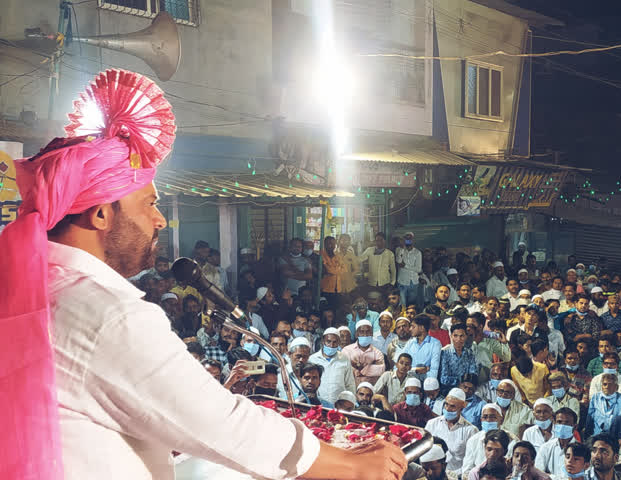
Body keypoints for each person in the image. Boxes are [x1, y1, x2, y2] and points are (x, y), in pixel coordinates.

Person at [0, 69, 407, 480]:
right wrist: (349, 465)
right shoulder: (104, 314)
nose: (159, 219)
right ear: (101, 212)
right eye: (149, 203)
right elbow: (226, 426)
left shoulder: (36, 290)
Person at [425, 387, 479, 473]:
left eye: (453, 406)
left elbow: (472, 460)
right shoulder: (432, 424)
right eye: (446, 404)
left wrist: (457, 475)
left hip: (458, 474)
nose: (448, 409)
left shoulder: (471, 430)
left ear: (462, 407)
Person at [308, 327, 356, 403]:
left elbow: (350, 384)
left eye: (335, 342)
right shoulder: (313, 359)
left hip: (339, 404)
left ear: (339, 343)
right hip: (318, 402)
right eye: (328, 341)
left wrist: (351, 401)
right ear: (323, 341)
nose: (331, 345)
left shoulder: (344, 359)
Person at [462, 408, 510, 477]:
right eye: (489, 449)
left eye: (497, 450)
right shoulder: (476, 472)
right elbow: (466, 470)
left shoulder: (510, 470)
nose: (492, 454)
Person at [535, 407, 579, 476]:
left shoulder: (581, 451)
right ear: (554, 424)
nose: (562, 426)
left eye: (567, 423)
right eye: (559, 422)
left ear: (575, 427)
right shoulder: (545, 447)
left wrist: (549, 476)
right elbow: (538, 474)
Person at [342, 319, 386, 386]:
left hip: (371, 390)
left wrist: (356, 368)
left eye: (368, 332)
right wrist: (371, 367)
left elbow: (381, 370)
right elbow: (345, 370)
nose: (365, 334)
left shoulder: (378, 353)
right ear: (356, 334)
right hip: (351, 389)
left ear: (372, 334)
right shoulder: (347, 350)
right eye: (362, 332)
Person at [402, 313, 442, 381]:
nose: (410, 329)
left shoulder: (435, 344)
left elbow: (434, 372)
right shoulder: (410, 343)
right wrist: (416, 370)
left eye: (413, 327)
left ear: (422, 328)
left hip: (427, 382)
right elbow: (400, 366)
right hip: (408, 380)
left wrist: (411, 371)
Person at [439, 323, 478, 392]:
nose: (458, 339)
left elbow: (473, 374)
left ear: (466, 336)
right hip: (448, 391)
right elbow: (443, 379)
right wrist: (460, 381)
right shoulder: (444, 353)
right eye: (455, 336)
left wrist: (465, 384)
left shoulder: (469, 353)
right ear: (451, 336)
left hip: (466, 390)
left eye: (462, 336)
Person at [396, 232, 422, 306]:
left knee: (411, 304)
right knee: (402, 304)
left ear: (413, 240)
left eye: (410, 238)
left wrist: (405, 266)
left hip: (413, 282)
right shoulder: (399, 249)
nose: (408, 240)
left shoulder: (417, 252)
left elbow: (418, 269)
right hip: (402, 281)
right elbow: (398, 261)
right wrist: (402, 247)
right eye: (406, 238)